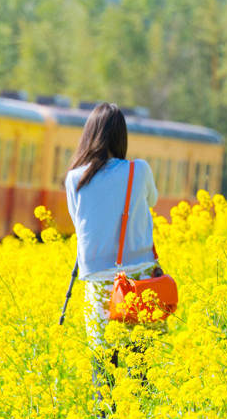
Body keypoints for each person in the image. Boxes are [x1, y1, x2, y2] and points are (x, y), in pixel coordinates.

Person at [65, 102, 160, 394]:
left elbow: (79, 221)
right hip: (139, 282)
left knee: (104, 367)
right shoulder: (138, 171)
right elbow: (151, 201)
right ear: (121, 137)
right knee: (139, 365)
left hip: (98, 285)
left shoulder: (74, 179)